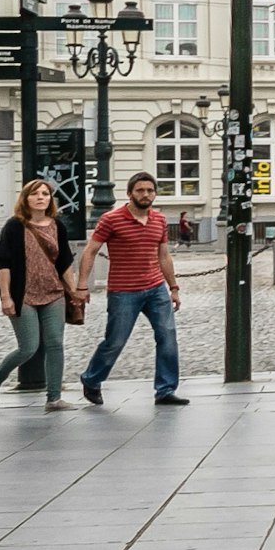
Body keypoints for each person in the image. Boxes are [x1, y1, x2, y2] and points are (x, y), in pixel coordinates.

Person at [74, 171, 187, 407]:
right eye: (140, 190)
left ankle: (165, 389)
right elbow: (90, 251)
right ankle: (92, 379)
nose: (145, 195)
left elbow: (163, 255)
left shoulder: (159, 220)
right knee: (115, 340)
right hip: (124, 291)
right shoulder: (111, 219)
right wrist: (82, 285)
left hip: (156, 289)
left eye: (150, 191)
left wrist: (173, 287)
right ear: (129, 193)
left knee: (167, 336)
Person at [0, 177, 75, 410]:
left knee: (55, 343)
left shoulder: (58, 225)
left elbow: (65, 261)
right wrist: (5, 297)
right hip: (22, 294)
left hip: (53, 292)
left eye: (45, 194)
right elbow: (3, 263)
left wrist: (74, 290)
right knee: (28, 347)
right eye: (35, 194)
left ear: (50, 199)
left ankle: (54, 398)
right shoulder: (15, 226)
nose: (40, 198)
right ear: (25, 198)